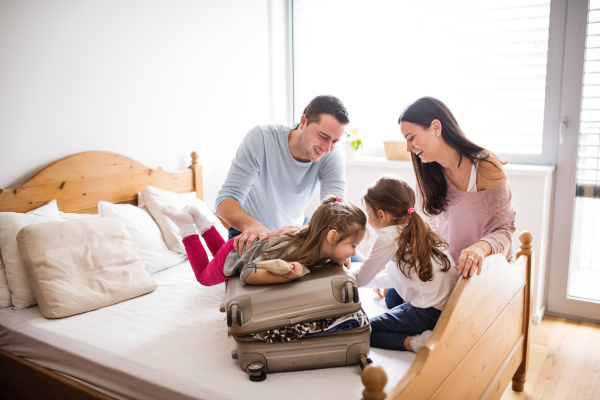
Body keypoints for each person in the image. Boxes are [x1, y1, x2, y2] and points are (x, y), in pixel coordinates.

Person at [381, 96, 516, 308]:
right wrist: (391, 266)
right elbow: (419, 227)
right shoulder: (427, 171)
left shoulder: (485, 166)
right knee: (392, 296)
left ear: (436, 127)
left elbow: (505, 229)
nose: (408, 147)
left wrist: (479, 248)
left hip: (479, 268)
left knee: (401, 301)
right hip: (445, 269)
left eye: (411, 137)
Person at [215, 95, 349, 256]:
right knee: (252, 277)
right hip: (251, 231)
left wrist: (306, 231)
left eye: (335, 141)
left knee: (353, 266)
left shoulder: (332, 155)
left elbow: (335, 210)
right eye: (323, 136)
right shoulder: (261, 138)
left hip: (300, 229)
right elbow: (225, 201)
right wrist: (252, 225)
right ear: (303, 121)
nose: (327, 149)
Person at [351, 177, 459, 353]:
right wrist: (369, 279)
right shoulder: (418, 226)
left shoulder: (389, 235)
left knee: (365, 330)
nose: (368, 221)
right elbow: (399, 279)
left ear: (381, 215)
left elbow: (360, 279)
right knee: (392, 298)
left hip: (429, 314)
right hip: (449, 309)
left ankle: (418, 343)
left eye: (368, 214)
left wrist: (336, 274)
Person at [161, 196, 366, 286]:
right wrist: (284, 277)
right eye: (353, 246)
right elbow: (249, 272)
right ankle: (187, 227)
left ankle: (201, 219)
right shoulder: (291, 251)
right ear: (331, 237)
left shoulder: (318, 247)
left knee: (221, 255)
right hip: (239, 253)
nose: (354, 253)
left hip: (236, 250)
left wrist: (340, 258)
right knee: (205, 277)